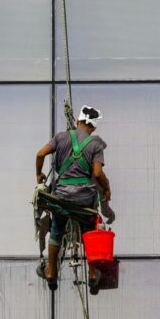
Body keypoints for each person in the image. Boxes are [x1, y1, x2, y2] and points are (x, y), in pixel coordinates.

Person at [34, 105, 112, 290]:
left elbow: (40, 153)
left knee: (56, 230)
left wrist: (39, 174)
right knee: (89, 233)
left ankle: (51, 272)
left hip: (62, 196)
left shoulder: (61, 137)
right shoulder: (96, 143)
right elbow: (97, 173)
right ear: (93, 127)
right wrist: (107, 189)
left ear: (77, 122)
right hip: (84, 199)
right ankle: (92, 274)